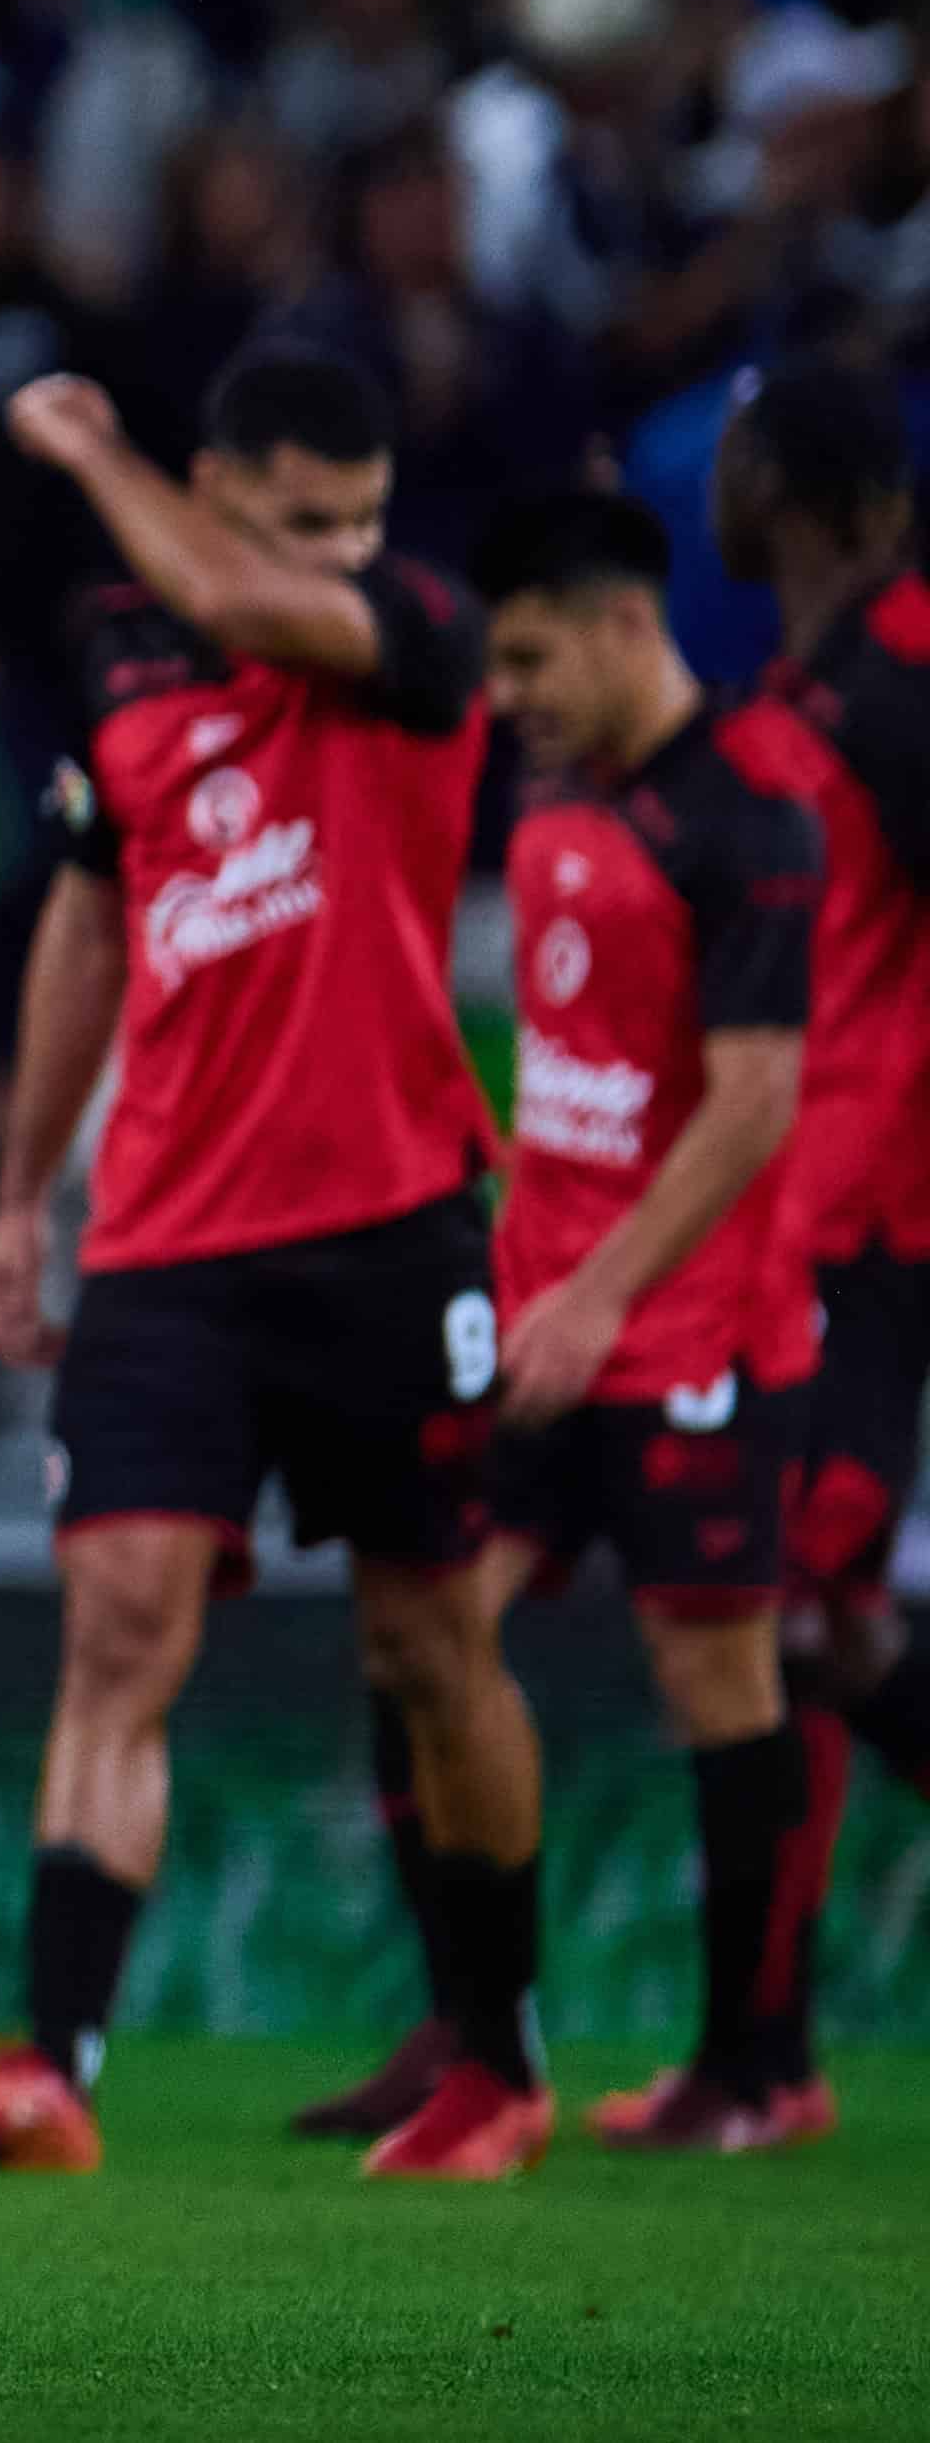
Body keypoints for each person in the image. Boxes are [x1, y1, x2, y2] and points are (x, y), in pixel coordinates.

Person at [0, 346, 538, 2183]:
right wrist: (27, 1195)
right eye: (305, 515)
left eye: (362, 516)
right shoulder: (127, 662)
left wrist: (94, 445)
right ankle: (56, 2062)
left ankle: (495, 2057)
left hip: (394, 1218)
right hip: (173, 1235)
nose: (345, 551)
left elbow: (227, 587)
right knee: (117, 1632)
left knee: (432, 1645)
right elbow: (89, 926)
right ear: (225, 477)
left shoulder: (415, 624)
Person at [460, 490, 834, 2151]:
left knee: (716, 1673)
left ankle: (755, 2067)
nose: (512, 694)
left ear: (624, 623)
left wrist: (600, 1296)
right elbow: (571, 1073)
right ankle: (475, 2040)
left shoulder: (751, 813)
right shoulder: (557, 804)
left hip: (688, 1334)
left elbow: (754, 1107)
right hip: (539, 1319)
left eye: (534, 656)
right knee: (431, 1637)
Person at [704, 356, 930, 2039]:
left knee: (783, 1610)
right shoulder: (812, 683)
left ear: (785, 484)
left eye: (735, 444)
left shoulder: (900, 679)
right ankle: (756, 2051)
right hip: (802, 1225)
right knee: (826, 1624)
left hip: (878, 1230)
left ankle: (757, 2053)